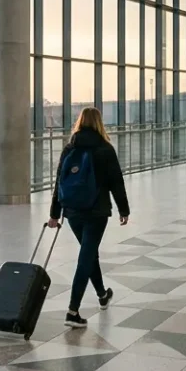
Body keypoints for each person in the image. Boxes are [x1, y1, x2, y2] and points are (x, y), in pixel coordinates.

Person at [48, 107, 130, 330]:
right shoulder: (105, 149)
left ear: (80, 122)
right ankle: (72, 311)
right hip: (96, 211)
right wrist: (124, 210)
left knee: (88, 252)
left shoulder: (69, 148)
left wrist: (55, 214)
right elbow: (116, 182)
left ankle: (103, 295)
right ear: (99, 123)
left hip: (73, 210)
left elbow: (59, 182)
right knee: (86, 257)